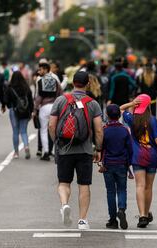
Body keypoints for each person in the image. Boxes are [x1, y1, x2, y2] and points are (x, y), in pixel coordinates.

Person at [49, 71, 103, 230]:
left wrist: (57, 142)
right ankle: (82, 220)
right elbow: (99, 130)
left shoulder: (61, 100)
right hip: (84, 150)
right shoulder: (92, 103)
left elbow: (52, 125)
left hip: (64, 149)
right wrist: (98, 148)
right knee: (84, 185)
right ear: (88, 84)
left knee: (64, 182)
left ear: (73, 83)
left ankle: (65, 204)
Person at [120, 94, 157, 228]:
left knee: (140, 186)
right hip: (151, 155)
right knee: (148, 186)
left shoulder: (132, 118)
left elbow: (120, 109)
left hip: (137, 156)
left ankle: (142, 215)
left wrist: (131, 104)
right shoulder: (152, 120)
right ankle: (147, 211)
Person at [100, 104, 133, 230]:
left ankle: (113, 220)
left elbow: (101, 146)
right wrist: (129, 163)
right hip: (121, 164)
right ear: (119, 116)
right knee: (121, 189)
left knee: (110, 191)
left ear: (107, 115)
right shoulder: (124, 130)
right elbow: (130, 149)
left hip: (108, 164)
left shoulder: (105, 130)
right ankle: (122, 210)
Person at [34, 62, 63, 161]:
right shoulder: (55, 81)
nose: (39, 71)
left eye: (41, 69)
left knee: (43, 131)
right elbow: (61, 93)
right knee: (55, 130)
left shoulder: (40, 81)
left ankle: (46, 152)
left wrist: (35, 109)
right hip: (54, 108)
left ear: (46, 69)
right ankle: (56, 151)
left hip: (44, 108)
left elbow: (39, 97)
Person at [5, 71, 34, 159]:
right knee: (24, 131)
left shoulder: (10, 88)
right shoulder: (26, 88)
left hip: (14, 110)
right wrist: (31, 111)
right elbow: (31, 101)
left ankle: (16, 152)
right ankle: (26, 146)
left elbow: (6, 100)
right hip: (25, 111)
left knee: (15, 132)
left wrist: (9, 105)